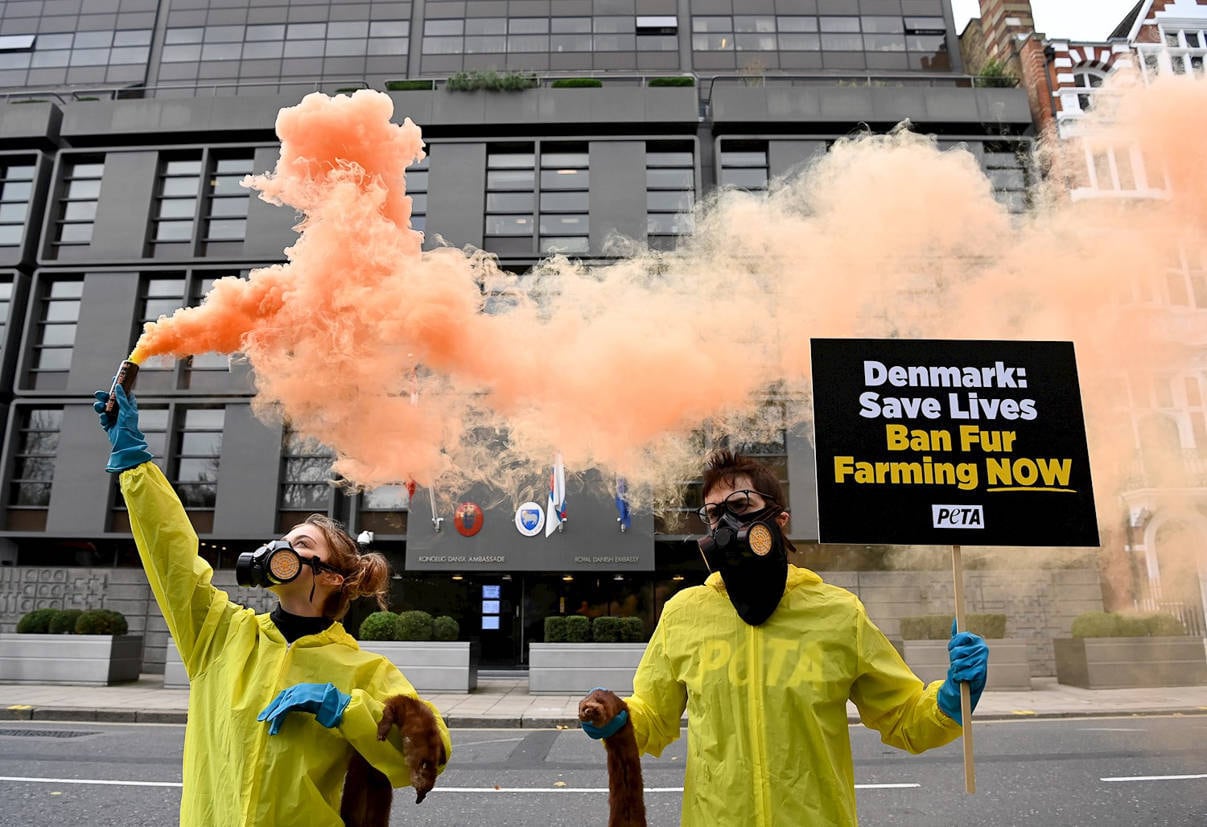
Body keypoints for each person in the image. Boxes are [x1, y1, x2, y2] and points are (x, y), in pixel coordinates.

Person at [94, 383, 451, 825]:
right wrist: (134, 462)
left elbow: (431, 752)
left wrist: (344, 708)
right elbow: (172, 556)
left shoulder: (365, 671)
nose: (279, 550)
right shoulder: (218, 635)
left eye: (301, 544)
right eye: (282, 540)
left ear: (331, 576)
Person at [579, 449, 989, 826]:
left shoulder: (838, 613)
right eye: (714, 514)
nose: (726, 524)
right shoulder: (683, 614)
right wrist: (618, 717)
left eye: (741, 506)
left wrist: (952, 698)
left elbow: (903, 718)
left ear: (779, 520)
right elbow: (654, 716)